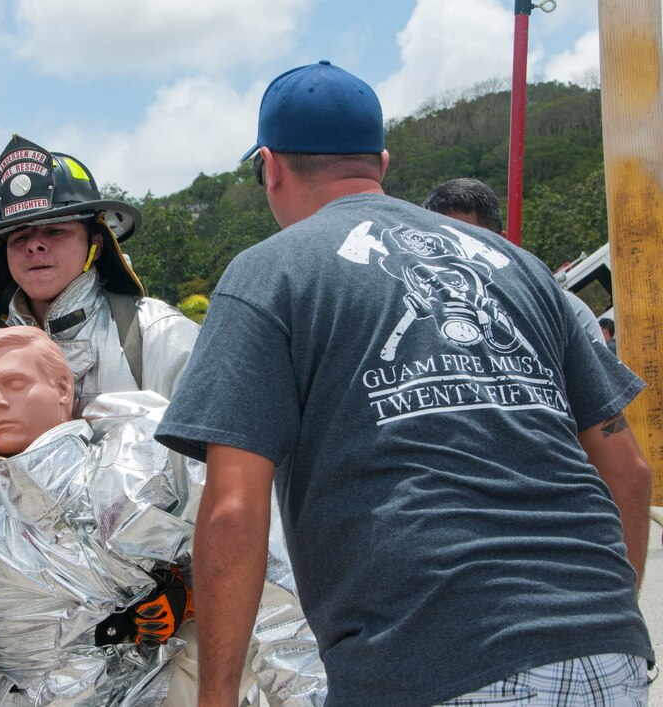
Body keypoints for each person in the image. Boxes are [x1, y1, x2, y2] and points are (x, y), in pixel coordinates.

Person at [155, 60, 653, 705]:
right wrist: (608, 624)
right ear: (382, 162)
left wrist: (216, 697)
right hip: (608, 652)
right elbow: (630, 470)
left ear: (271, 167)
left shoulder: (269, 274)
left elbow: (233, 510)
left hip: (430, 658)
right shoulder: (519, 267)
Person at [0, 135, 322, 704]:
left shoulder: (160, 338)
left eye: (55, 231)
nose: (35, 247)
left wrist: (188, 594)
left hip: (159, 642)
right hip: (22, 650)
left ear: (95, 240)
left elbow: (233, 489)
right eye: (20, 236)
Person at [0, 327, 322, 705]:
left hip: (147, 686)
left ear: (64, 389)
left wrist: (187, 596)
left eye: (14, 383)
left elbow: (266, 586)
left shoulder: (145, 463)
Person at [421, 177, 605, 340]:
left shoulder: (560, 311)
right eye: (438, 242)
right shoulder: (417, 311)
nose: (451, 253)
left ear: (502, 243)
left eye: (465, 239)